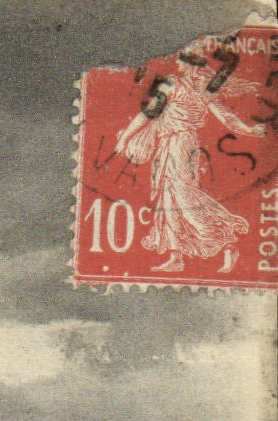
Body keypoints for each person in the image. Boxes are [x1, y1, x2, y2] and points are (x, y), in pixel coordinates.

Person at [115, 37, 268, 274]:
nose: (185, 67)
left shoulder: (197, 90)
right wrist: (124, 138)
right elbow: (149, 114)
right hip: (169, 144)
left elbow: (225, 117)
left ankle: (226, 244)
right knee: (168, 198)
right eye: (187, 63)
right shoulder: (178, 86)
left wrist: (249, 130)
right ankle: (176, 256)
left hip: (182, 144)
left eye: (192, 64)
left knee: (183, 196)